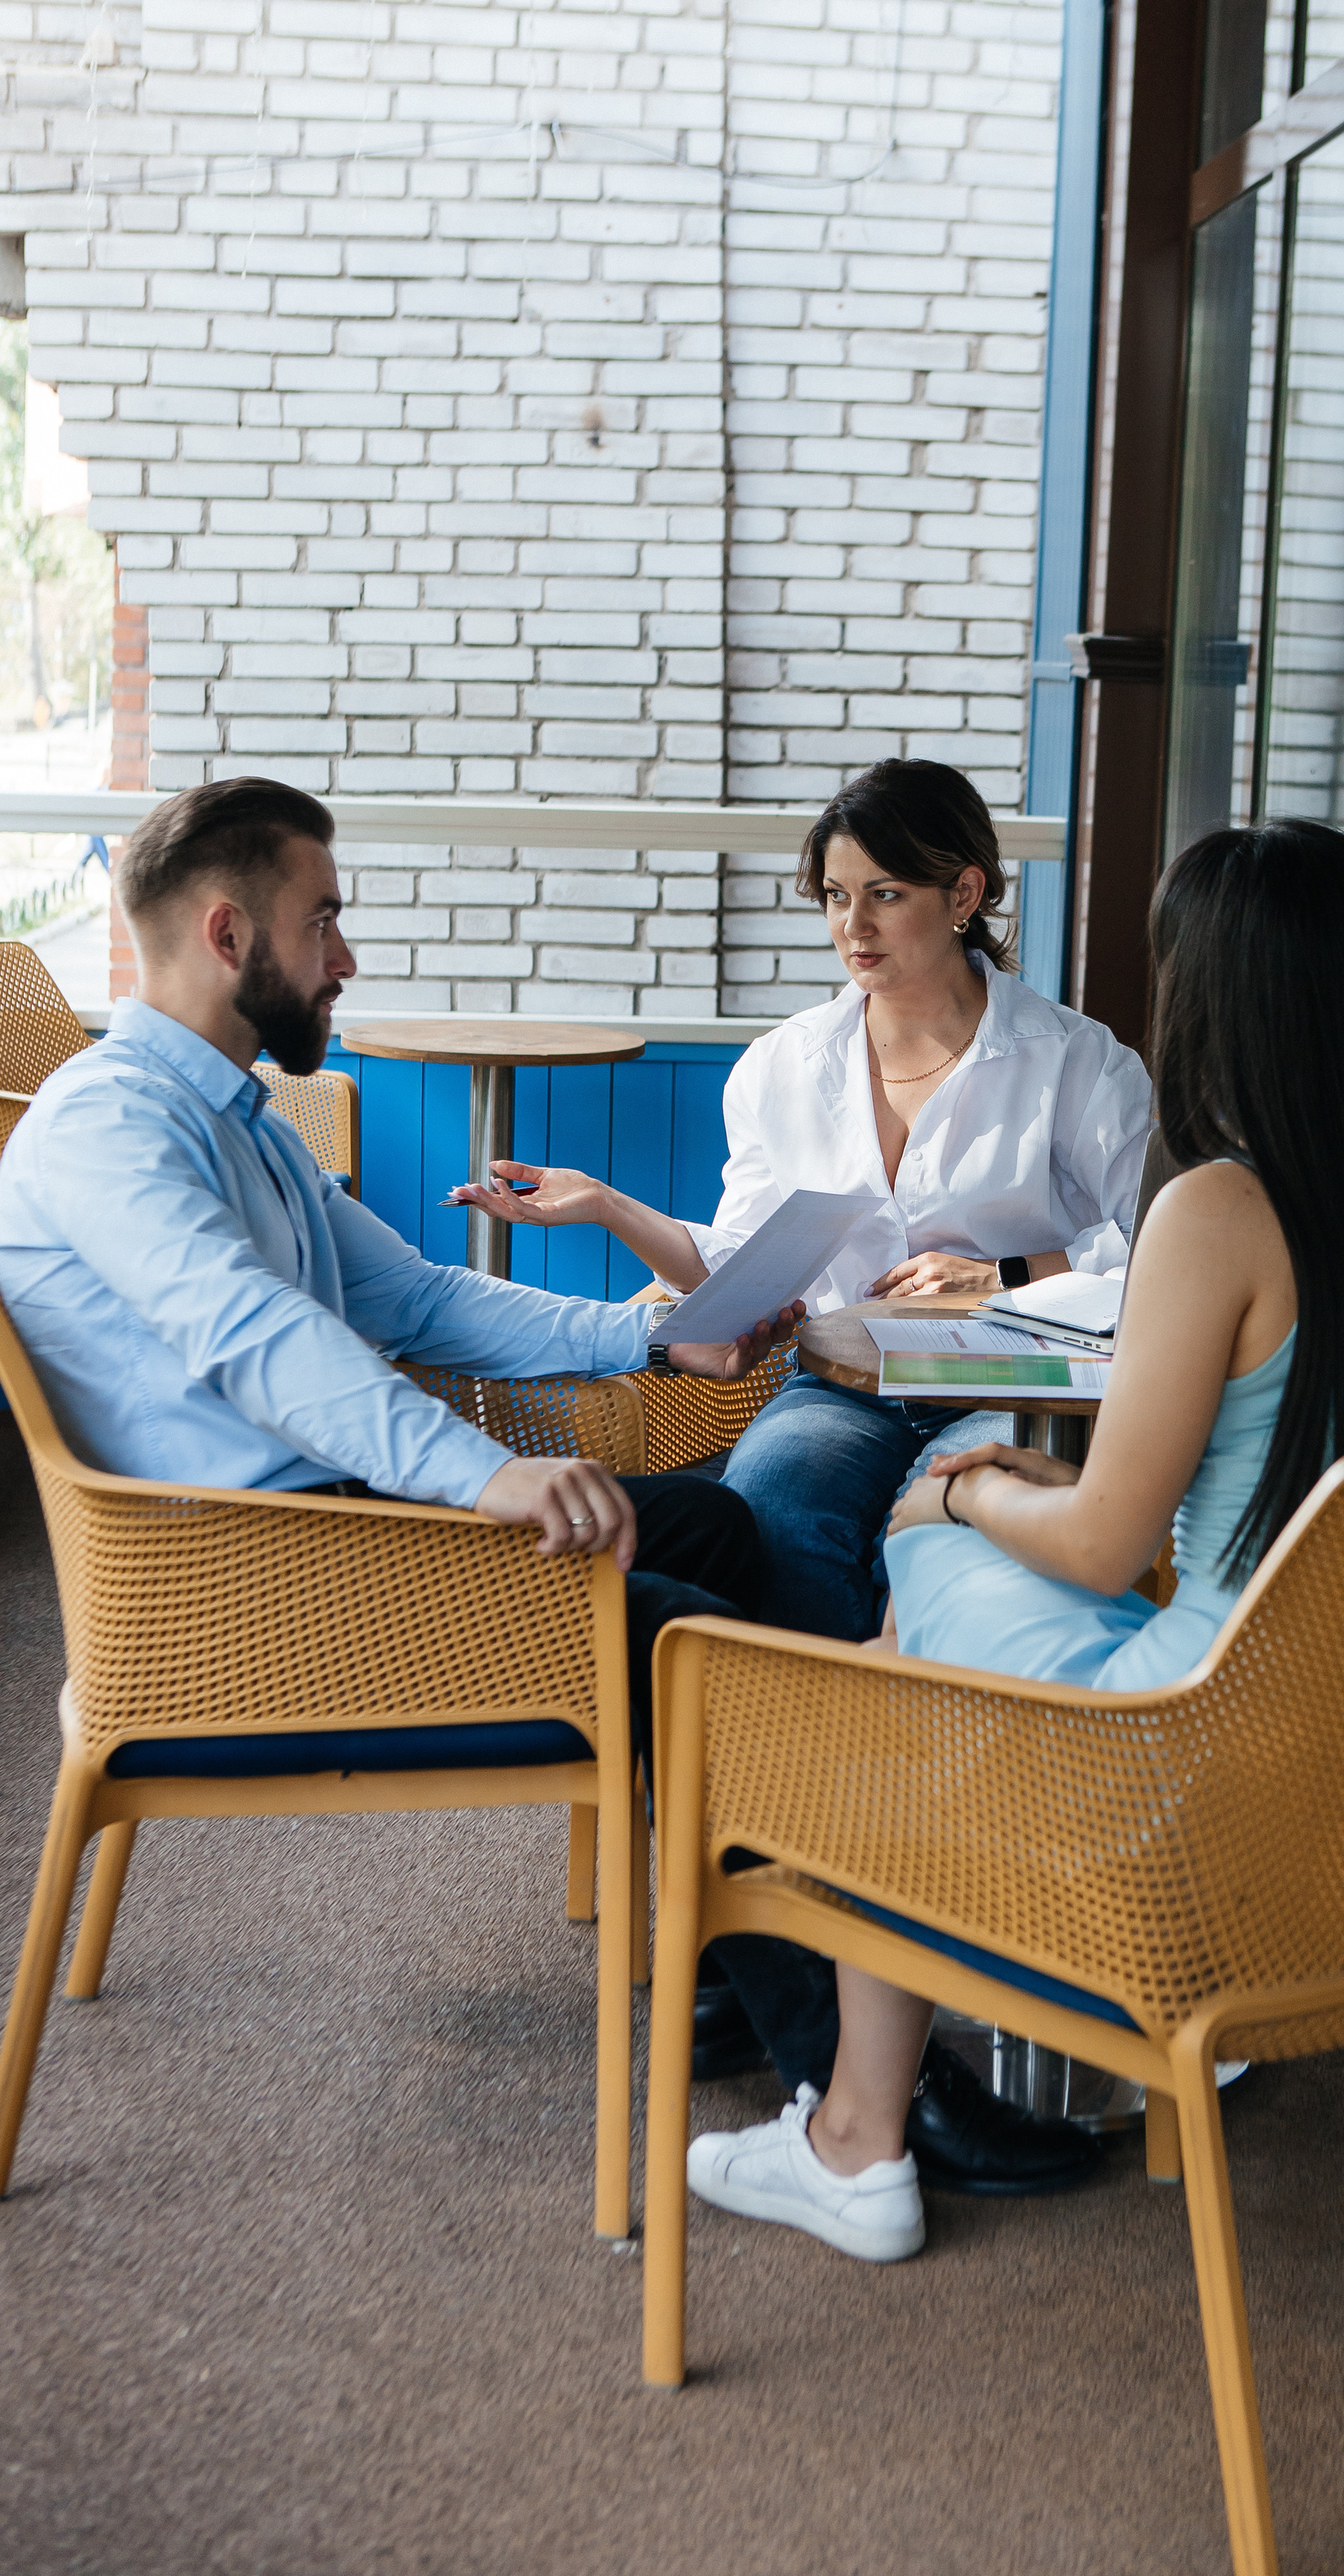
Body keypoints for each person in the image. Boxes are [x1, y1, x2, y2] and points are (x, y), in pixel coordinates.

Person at [682, 818, 1344, 2262]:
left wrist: (960, 1495)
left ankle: (859, 2132)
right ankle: (872, 2111)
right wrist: (1028, 1490)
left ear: (1221, 998)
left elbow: (1106, 1546)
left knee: (918, 1576)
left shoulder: (1219, 1208)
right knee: (952, 1594)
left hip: (1194, 1767)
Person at [448, 757, 1153, 2192]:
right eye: (833, 897)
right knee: (770, 1532)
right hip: (837, 1386)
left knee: (940, 1567)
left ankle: (838, 1938)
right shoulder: (784, 1067)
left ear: (964, 891)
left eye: (883, 894)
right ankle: (798, 1911)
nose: (852, 927)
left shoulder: (1080, 1066)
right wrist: (611, 1211)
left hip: (1005, 1397)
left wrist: (1005, 1275)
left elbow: (1151, 1265)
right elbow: (739, 1270)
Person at [0, 778, 803, 1725]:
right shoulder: (109, 1123)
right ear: (228, 936)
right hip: (233, 1592)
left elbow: (418, 1302)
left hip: (332, 1522)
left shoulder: (246, 1123)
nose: (345, 959)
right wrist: (487, 1475)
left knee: (712, 1524)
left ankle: (681, 1801)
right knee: (698, 1649)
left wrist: (658, 1339)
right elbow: (257, 1336)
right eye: (321, 922)